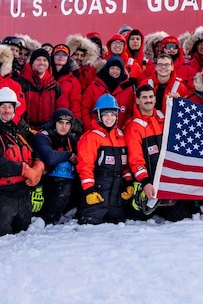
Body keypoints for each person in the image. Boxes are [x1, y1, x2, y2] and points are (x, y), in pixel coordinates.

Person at [0, 88, 43, 237]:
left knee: (24, 230)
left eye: (10, 106)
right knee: (0, 235)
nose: (7, 110)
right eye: (3, 106)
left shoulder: (16, 129)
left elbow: (32, 149)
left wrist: (38, 166)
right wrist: (25, 170)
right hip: (3, 194)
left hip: (22, 191)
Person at [125, 83, 180, 221]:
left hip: (167, 183)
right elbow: (135, 159)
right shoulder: (134, 126)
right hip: (147, 184)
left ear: (155, 99)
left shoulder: (163, 118)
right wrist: (145, 182)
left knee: (181, 217)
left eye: (151, 97)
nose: (148, 100)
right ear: (137, 100)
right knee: (138, 220)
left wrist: (178, 102)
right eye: (144, 97)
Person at [77, 96, 133, 225]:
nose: (109, 118)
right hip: (97, 194)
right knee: (89, 227)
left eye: (112, 114)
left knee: (119, 226)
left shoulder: (121, 135)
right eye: (105, 114)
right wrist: (89, 191)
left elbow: (125, 166)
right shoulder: (90, 137)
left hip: (116, 197)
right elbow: (85, 166)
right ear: (98, 115)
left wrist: (128, 183)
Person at [32, 109, 82, 225]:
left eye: (67, 123)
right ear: (54, 123)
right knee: (64, 168)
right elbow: (50, 157)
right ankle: (47, 216)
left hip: (60, 180)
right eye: (60, 123)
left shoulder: (69, 139)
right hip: (40, 182)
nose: (64, 127)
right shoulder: (42, 137)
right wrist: (68, 155)